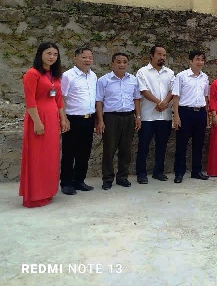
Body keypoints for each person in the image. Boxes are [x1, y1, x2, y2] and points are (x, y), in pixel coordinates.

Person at [19, 42, 70, 207]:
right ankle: (35, 194)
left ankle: (47, 191)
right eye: (48, 53)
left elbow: (59, 99)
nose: (52, 57)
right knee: (37, 157)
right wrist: (37, 122)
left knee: (50, 156)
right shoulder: (32, 73)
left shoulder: (54, 75)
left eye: (55, 54)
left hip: (52, 118)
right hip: (38, 118)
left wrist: (63, 119)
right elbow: (30, 101)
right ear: (40, 54)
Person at [96, 53, 142, 190]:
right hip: (111, 117)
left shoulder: (133, 80)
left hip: (128, 117)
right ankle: (107, 178)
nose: (122, 65)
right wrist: (100, 121)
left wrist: (138, 117)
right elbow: (99, 101)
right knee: (109, 149)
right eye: (118, 62)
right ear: (112, 64)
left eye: (124, 62)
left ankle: (122, 177)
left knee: (126, 149)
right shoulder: (104, 80)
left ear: (128, 64)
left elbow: (136, 99)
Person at [60, 46, 98, 195]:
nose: (87, 60)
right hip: (72, 119)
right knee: (69, 152)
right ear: (75, 58)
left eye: (90, 57)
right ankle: (66, 183)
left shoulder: (93, 76)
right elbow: (61, 98)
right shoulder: (68, 76)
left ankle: (79, 180)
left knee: (85, 152)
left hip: (89, 118)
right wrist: (63, 118)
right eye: (84, 57)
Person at [135, 45, 174, 184]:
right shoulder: (142, 72)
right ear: (151, 55)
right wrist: (159, 102)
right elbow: (143, 90)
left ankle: (158, 172)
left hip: (165, 116)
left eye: (164, 55)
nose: (162, 57)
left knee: (161, 146)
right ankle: (141, 174)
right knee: (143, 146)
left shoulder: (169, 73)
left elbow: (173, 90)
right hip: (148, 116)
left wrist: (165, 102)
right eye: (159, 54)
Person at [171, 50, 210, 183]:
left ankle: (196, 171)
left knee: (199, 144)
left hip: (200, 113)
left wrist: (206, 114)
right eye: (197, 59)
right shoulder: (181, 76)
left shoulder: (205, 77)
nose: (200, 62)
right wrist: (176, 116)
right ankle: (179, 173)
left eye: (202, 60)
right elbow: (176, 97)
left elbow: (206, 97)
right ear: (190, 61)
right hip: (185, 112)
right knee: (181, 144)